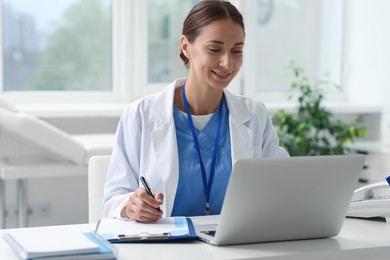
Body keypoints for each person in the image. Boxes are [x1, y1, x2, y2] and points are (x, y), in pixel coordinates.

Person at [103, 0, 289, 223]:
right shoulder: (140, 115)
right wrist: (130, 206)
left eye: (236, 50)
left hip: (235, 245)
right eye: (214, 49)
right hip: (166, 248)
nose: (227, 62)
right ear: (186, 47)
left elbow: (283, 184)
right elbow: (113, 200)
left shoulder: (255, 115)